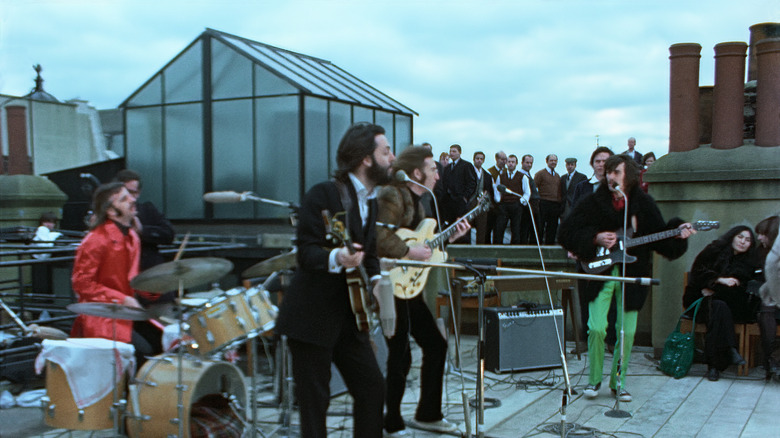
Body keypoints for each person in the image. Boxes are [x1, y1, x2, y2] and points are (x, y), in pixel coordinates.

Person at [274, 122, 392, 438]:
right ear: (367, 158)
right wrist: (337, 257)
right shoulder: (323, 194)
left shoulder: (372, 199)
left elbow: (369, 253)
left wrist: (377, 280)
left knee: (372, 387)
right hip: (311, 318)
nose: (392, 158)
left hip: (350, 317)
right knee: (315, 405)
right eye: (386, 151)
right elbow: (306, 253)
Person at [559, 154, 694, 401]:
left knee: (627, 332)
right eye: (608, 171)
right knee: (596, 328)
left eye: (616, 172)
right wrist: (594, 238)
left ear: (629, 177)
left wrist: (678, 234)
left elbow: (662, 240)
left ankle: (618, 382)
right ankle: (594, 380)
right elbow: (565, 232)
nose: (610, 176)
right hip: (598, 273)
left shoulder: (644, 205)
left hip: (633, 275)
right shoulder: (592, 201)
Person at [376, 146, 468, 437]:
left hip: (408, 289)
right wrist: (408, 250)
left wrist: (450, 237)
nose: (438, 175)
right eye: (433, 169)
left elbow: (424, 245)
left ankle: (428, 414)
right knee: (400, 354)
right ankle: (391, 423)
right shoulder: (392, 194)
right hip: (390, 286)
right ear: (417, 173)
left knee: (435, 344)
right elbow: (379, 235)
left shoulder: (421, 204)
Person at [70, 182, 153, 366]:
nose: (133, 200)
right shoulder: (95, 240)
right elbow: (82, 284)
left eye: (130, 195)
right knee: (143, 353)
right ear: (111, 211)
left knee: (165, 341)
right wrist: (122, 299)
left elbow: (132, 279)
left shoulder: (132, 236)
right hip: (103, 318)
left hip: (126, 312)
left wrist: (160, 288)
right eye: (124, 198)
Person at [683, 225, 759, 381]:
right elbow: (697, 273)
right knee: (718, 307)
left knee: (719, 306)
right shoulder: (714, 250)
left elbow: (741, 287)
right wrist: (718, 279)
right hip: (700, 302)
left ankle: (714, 366)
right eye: (740, 237)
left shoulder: (749, 261)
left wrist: (714, 289)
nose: (743, 242)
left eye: (748, 240)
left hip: (731, 305)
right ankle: (729, 350)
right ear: (732, 236)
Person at [755, 215, 779, 379]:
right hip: (767, 302)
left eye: (763, 233)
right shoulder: (760, 253)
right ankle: (769, 359)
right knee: (767, 308)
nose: (759, 237)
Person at [440, 145, 476, 241]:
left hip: (460, 202)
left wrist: (465, 197)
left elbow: (472, 183)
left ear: (459, 152)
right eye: (450, 151)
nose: (451, 153)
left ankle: (463, 249)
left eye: (454, 151)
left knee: (462, 226)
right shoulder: (448, 168)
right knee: (450, 227)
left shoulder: (466, 165)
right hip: (449, 203)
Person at [494, 154, 530, 245]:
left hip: (516, 205)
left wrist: (521, 201)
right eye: (509, 162)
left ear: (516, 163)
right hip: (504, 205)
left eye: (513, 162)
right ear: (506, 163)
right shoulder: (501, 176)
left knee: (516, 229)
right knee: (499, 227)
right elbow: (497, 189)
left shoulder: (522, 177)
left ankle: (514, 249)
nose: (510, 164)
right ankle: (498, 249)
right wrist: (498, 200)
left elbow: (527, 192)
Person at [534, 154, 562, 244]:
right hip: (544, 203)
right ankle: (538, 246)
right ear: (547, 161)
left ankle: (549, 246)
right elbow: (534, 187)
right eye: (551, 160)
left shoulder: (557, 176)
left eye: (555, 161)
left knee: (552, 227)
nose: (553, 162)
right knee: (540, 225)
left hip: (555, 204)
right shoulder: (540, 174)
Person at [470, 151, 496, 244]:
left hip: (482, 205)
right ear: (474, 159)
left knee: (482, 228)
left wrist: (484, 198)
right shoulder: (468, 172)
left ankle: (479, 249)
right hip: (469, 203)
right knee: (466, 228)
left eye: (481, 159)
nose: (479, 161)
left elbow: (489, 190)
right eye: (477, 158)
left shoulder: (487, 175)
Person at [518, 154, 540, 244]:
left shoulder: (529, 175)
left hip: (534, 205)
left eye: (531, 163)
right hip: (526, 206)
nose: (529, 165)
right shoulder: (520, 175)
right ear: (522, 163)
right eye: (527, 162)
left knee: (534, 229)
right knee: (524, 229)